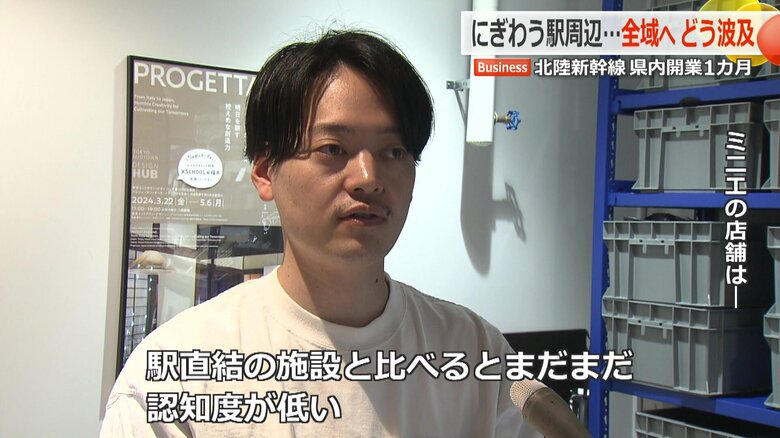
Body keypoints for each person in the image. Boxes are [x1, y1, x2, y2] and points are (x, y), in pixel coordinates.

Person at [101, 29, 540, 437]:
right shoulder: (173, 379)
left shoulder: (475, 353)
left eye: (394, 151)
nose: (368, 178)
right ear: (264, 171)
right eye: (333, 149)